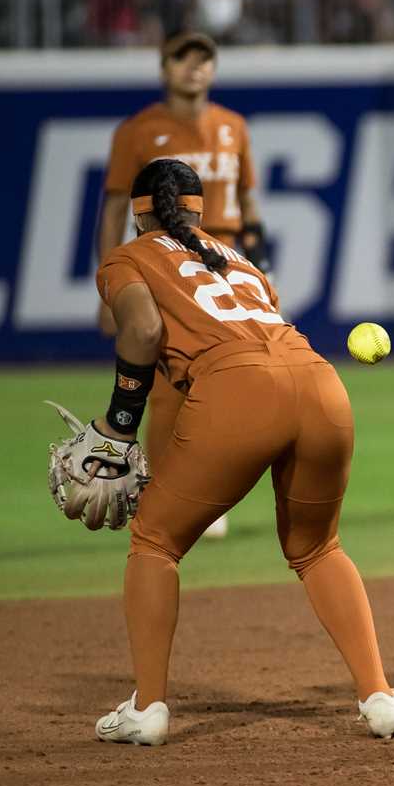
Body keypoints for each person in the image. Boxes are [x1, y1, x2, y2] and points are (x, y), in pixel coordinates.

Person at [82, 158, 394, 744]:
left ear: (138, 214)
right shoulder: (241, 262)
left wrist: (118, 425)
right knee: (317, 547)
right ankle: (380, 696)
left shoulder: (127, 258)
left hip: (240, 392)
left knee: (155, 541)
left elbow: (142, 332)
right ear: (200, 210)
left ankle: (149, 709)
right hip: (320, 385)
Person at [98, 30, 268, 540]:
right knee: (171, 380)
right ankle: (164, 490)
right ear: (163, 67)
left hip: (224, 259)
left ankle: (207, 489)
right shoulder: (139, 131)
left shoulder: (233, 127)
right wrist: (110, 281)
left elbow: (249, 203)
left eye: (204, 59)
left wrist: (258, 266)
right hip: (166, 262)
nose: (194, 68)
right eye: (183, 58)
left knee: (234, 380)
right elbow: (113, 209)